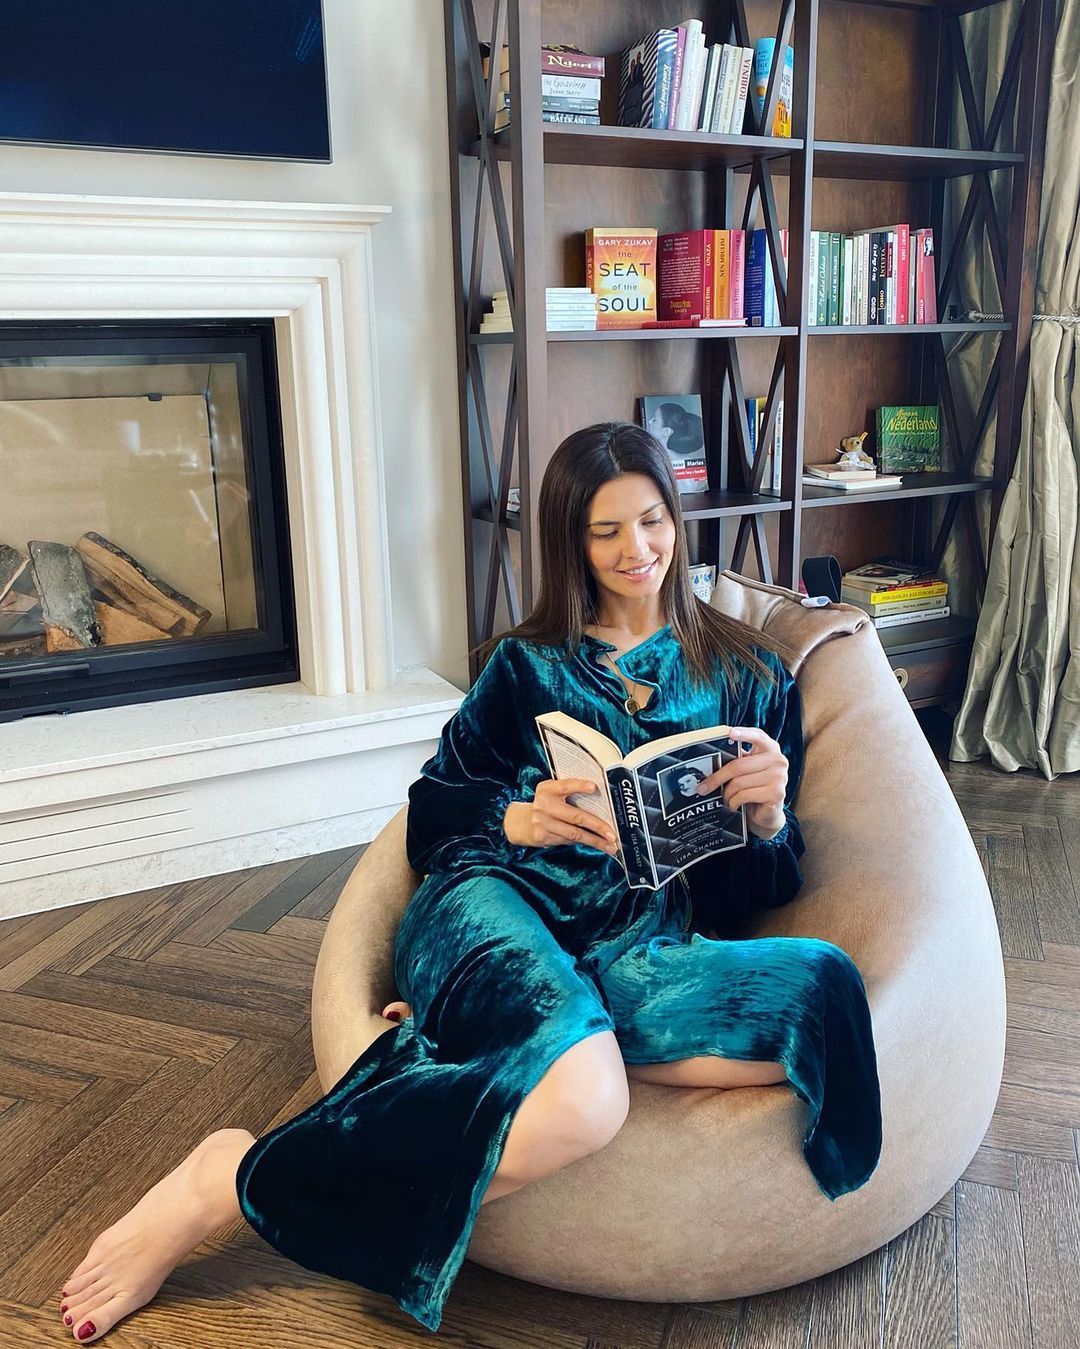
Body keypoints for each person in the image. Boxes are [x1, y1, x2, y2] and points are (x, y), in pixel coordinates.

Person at [57, 422, 881, 1343]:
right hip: (495, 902)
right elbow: (428, 819)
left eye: (652, 520)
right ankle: (231, 1180)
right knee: (590, 1099)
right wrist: (519, 819)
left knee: (823, 994)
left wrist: (766, 821)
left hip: (639, 942)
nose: (636, 549)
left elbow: (753, 896)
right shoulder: (522, 666)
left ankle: (469, 1041)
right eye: (605, 530)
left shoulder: (750, 674)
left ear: (676, 519)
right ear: (570, 541)